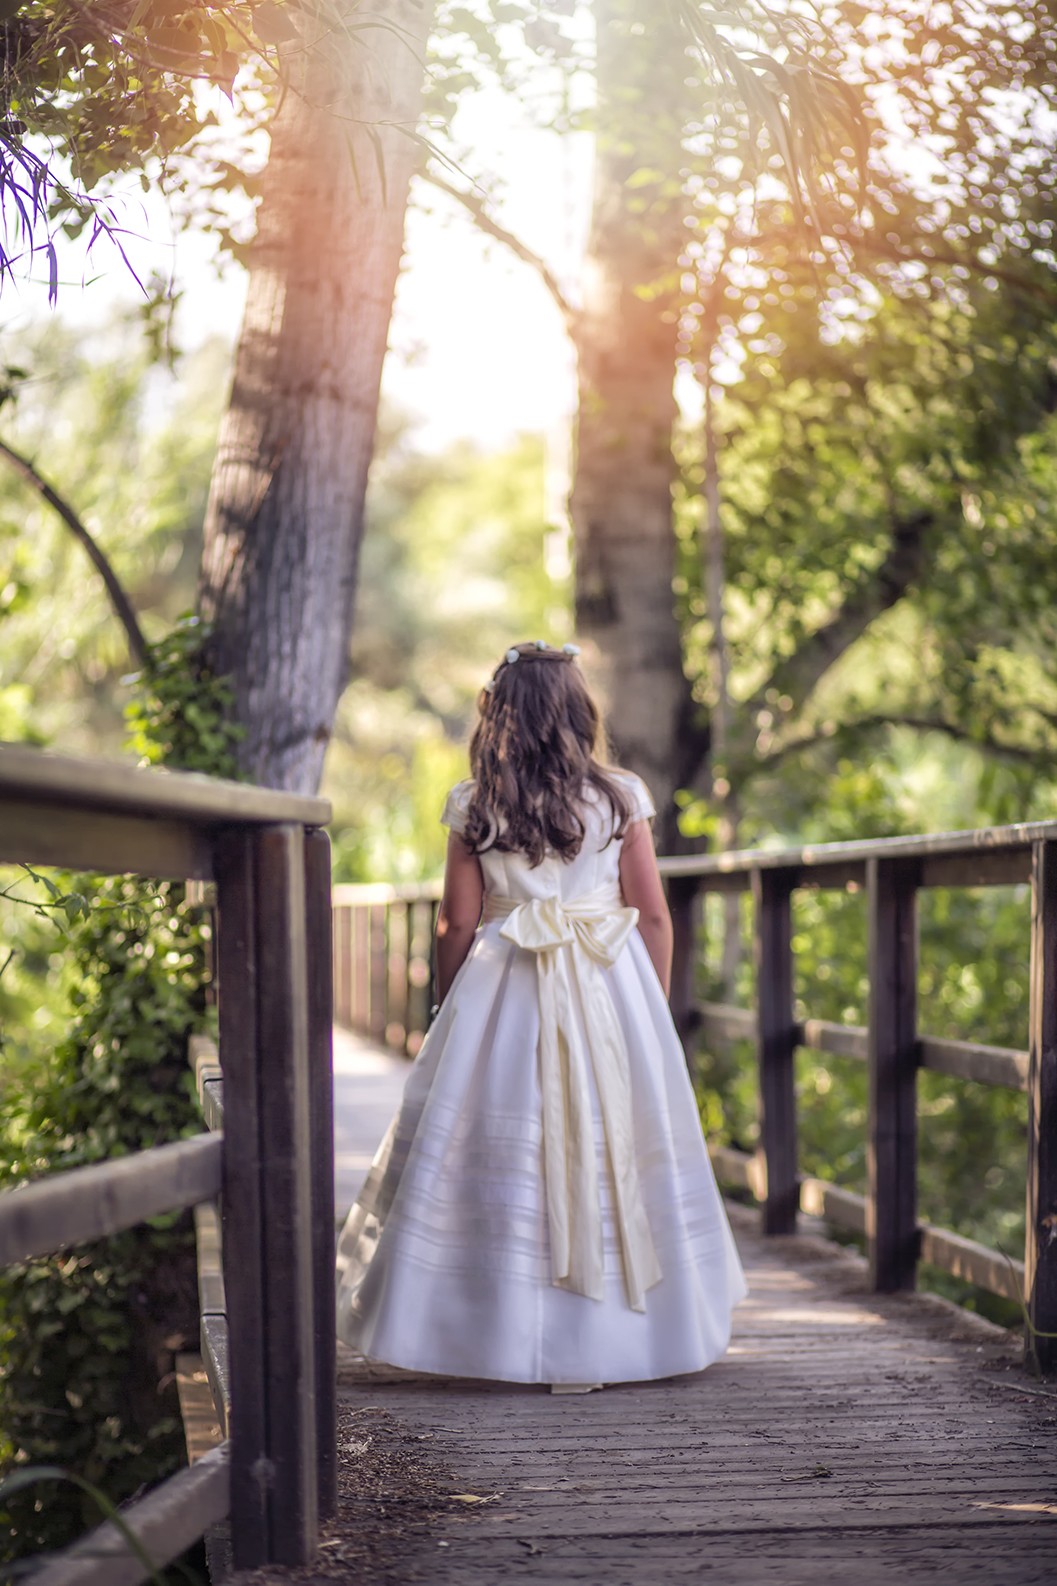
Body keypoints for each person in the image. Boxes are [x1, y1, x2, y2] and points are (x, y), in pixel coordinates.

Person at [336, 640, 747, 1390]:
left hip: (505, 982)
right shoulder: (620, 798)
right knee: (612, 1134)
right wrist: (649, 1008)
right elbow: (653, 915)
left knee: (499, 1138)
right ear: (579, 713)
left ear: (497, 715)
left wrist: (450, 1001)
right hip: (608, 981)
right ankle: (627, 1333)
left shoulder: (475, 804)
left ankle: (487, 1328)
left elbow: (456, 924)